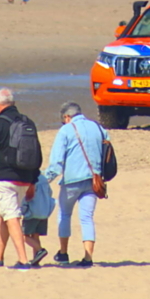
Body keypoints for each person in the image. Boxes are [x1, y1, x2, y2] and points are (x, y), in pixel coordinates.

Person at [44, 102, 110, 267]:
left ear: (67, 117)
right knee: (87, 218)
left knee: (65, 214)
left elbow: (56, 162)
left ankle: (64, 253)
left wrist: (44, 180)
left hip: (72, 181)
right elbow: (107, 153)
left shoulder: (66, 130)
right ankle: (88, 258)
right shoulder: (98, 127)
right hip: (94, 180)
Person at [0, 88, 40, 269]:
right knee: (5, 215)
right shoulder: (27, 121)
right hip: (25, 177)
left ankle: (23, 260)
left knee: (12, 216)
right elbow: (37, 154)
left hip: (5, 178)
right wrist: (33, 180)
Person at [21, 172, 55, 267]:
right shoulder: (43, 178)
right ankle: (36, 259)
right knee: (35, 235)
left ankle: (40, 250)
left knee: (23, 235)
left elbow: (25, 198)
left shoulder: (29, 179)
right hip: (44, 212)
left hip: (32, 212)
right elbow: (50, 193)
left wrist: (22, 210)